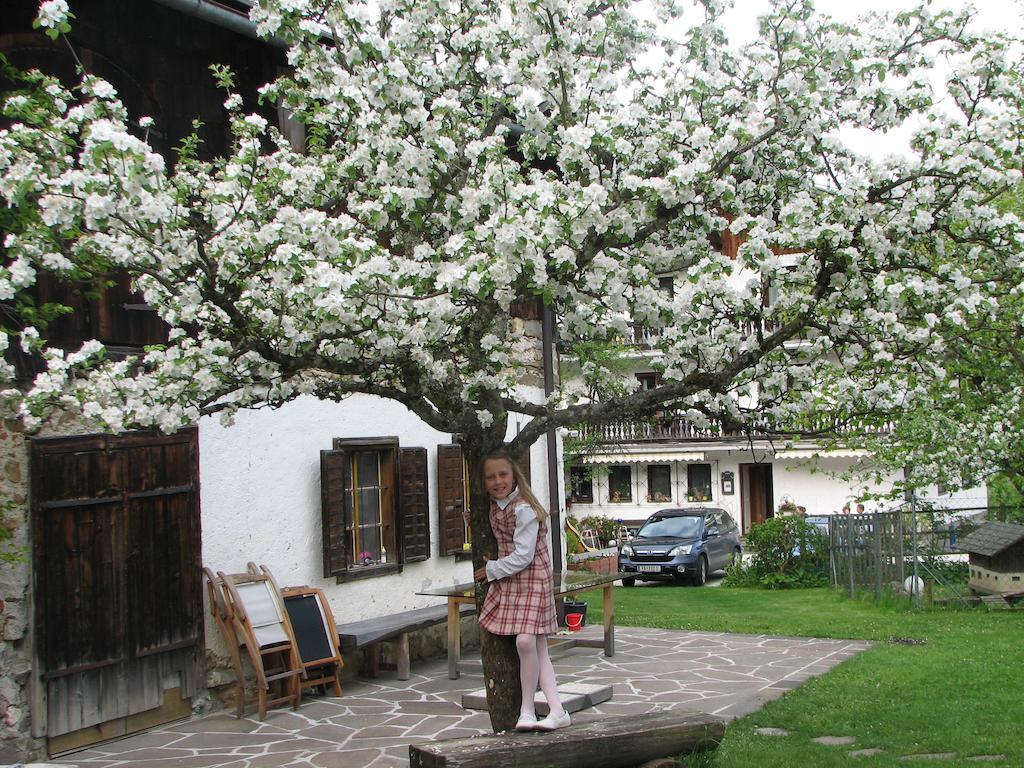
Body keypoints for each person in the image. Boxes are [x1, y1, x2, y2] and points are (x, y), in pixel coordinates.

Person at [473, 450, 570, 732]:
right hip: (512, 579)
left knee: (526, 642)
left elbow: (524, 556)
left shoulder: (523, 508)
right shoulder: (494, 505)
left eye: (503, 474)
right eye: (490, 477)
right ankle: (557, 710)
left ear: (514, 475)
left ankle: (527, 709)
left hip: (531, 577)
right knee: (538, 648)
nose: (497, 481)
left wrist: (492, 570)